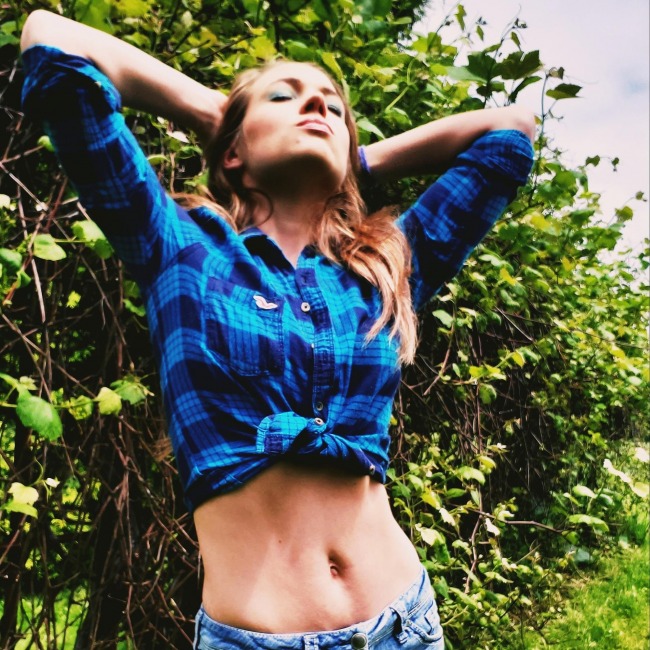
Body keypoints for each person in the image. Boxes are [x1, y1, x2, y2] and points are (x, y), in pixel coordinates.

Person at [20, 9, 535, 650]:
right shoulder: (178, 249)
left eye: (333, 107)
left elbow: (510, 134)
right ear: (233, 152)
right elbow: (51, 43)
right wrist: (215, 114)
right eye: (284, 96)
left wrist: (355, 160)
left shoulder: (384, 267)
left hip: (404, 624)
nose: (317, 105)